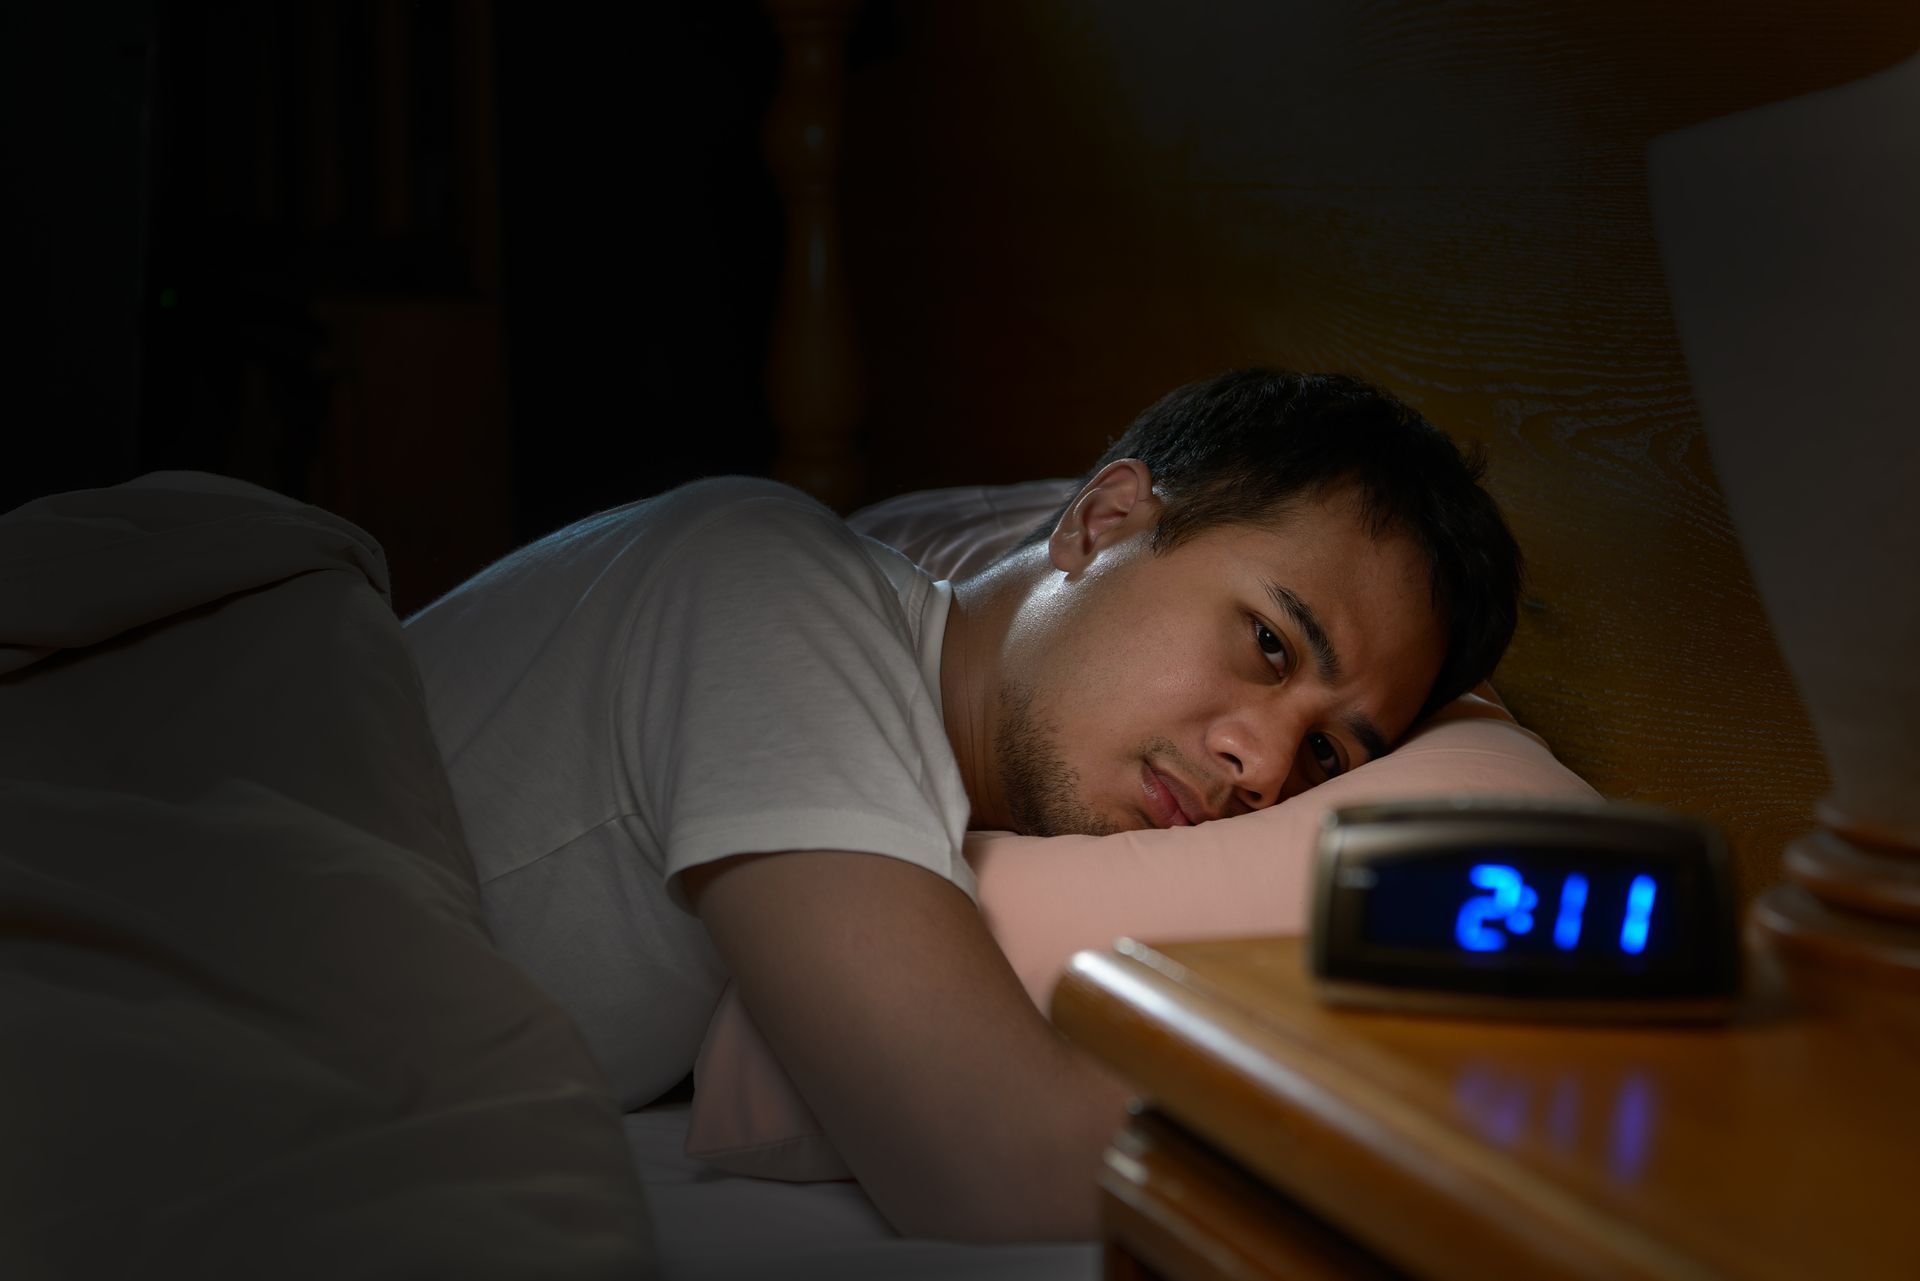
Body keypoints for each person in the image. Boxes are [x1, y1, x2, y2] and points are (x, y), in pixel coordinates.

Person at [402, 367, 1522, 1241]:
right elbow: (992, 1161)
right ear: (1102, 520)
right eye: (1270, 644)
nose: (1264, 766)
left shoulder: (890, 750)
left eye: (1328, 754)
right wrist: (1478, 1147)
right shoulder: (776, 601)